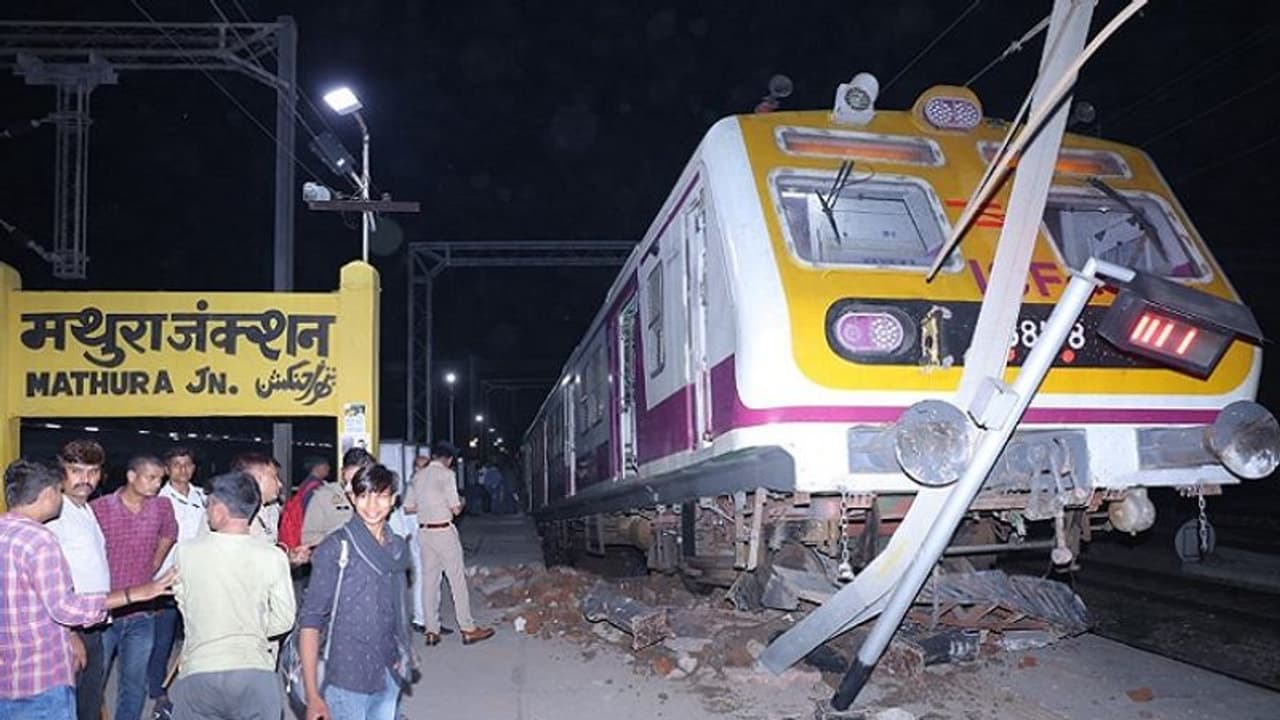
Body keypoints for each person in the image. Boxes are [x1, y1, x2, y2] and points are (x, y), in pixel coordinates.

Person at [0, 459, 173, 718]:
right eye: (59, 491)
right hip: (40, 677)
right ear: (48, 494)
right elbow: (65, 608)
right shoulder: (41, 540)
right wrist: (135, 594)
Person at [168, 471, 296, 720]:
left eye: (209, 505)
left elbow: (185, 605)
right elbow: (285, 618)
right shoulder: (273, 556)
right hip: (255, 671)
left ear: (219, 510)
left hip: (200, 671)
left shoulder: (186, 552)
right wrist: (250, 628)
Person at [299, 464, 414, 720]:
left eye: (381, 495)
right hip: (346, 677)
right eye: (363, 496)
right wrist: (313, 694)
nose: (372, 505)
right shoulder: (335, 547)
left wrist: (401, 651)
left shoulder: (397, 548)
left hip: (388, 670)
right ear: (352, 498)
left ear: (394, 499)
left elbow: (398, 609)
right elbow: (310, 621)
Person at [92, 455, 178, 720]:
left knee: (134, 683)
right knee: (94, 683)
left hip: (142, 613)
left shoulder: (162, 506)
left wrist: (153, 564)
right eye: (151, 478)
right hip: (105, 613)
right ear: (131, 476)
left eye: (160, 479)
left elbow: (170, 532)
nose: (157, 485)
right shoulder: (99, 508)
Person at [45, 440, 113, 720]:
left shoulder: (86, 509)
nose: (85, 479)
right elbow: (49, 579)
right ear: (61, 472)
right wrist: (69, 633)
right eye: (76, 470)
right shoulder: (54, 514)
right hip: (70, 626)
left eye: (92, 471)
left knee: (89, 700)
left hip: (92, 621)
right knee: (69, 704)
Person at [404, 441, 494, 646]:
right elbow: (455, 509)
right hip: (444, 531)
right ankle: (468, 628)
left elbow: (408, 508)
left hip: (424, 533)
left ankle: (431, 630)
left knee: (430, 582)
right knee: (457, 581)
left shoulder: (417, 477)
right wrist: (461, 501)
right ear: (449, 460)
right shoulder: (447, 475)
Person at [148, 447, 207, 711]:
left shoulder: (203, 497)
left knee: (200, 635)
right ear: (167, 469)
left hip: (198, 576)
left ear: (193, 468)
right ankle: (157, 688)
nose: (183, 470)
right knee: (163, 638)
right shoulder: (158, 499)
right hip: (166, 579)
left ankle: (198, 684)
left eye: (187, 464)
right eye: (176, 465)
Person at [231, 452, 310, 567]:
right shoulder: (230, 514)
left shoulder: (271, 510)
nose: (280, 484)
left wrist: (288, 558)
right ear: (257, 479)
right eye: (274, 477)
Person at [300, 448, 371, 548]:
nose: (351, 487)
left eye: (359, 480)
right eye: (350, 480)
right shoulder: (324, 496)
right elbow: (308, 538)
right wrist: (339, 539)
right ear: (343, 473)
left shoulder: (376, 498)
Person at [278, 456, 332, 551]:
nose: (329, 469)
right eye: (326, 467)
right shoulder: (317, 488)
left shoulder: (305, 484)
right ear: (318, 468)